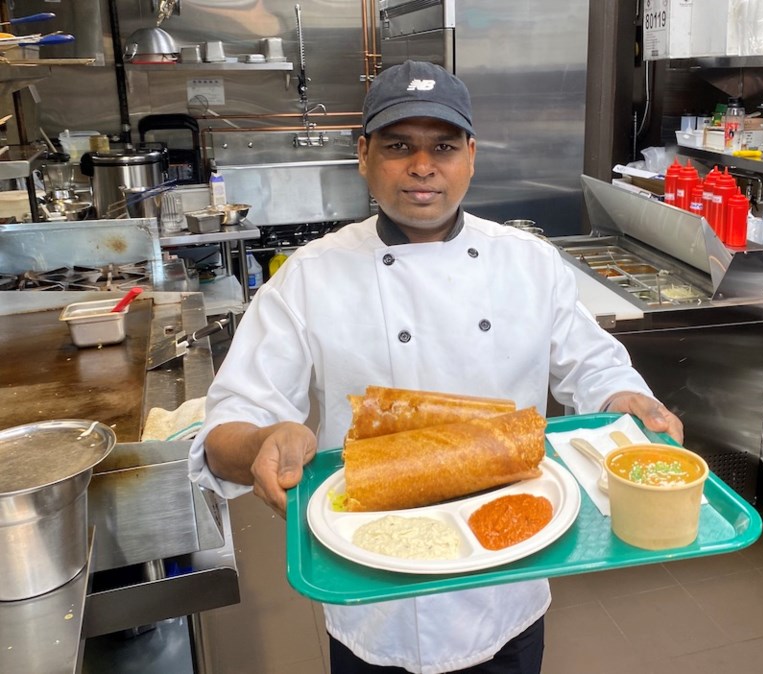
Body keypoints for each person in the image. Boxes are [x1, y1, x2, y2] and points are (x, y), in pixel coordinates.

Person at [188, 60, 683, 674]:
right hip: (373, 585)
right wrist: (262, 440)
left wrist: (625, 400)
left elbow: (597, 369)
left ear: (471, 155)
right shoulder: (310, 276)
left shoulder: (529, 263)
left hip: (506, 578)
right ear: (364, 154)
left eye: (443, 147)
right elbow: (228, 425)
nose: (423, 167)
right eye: (399, 146)